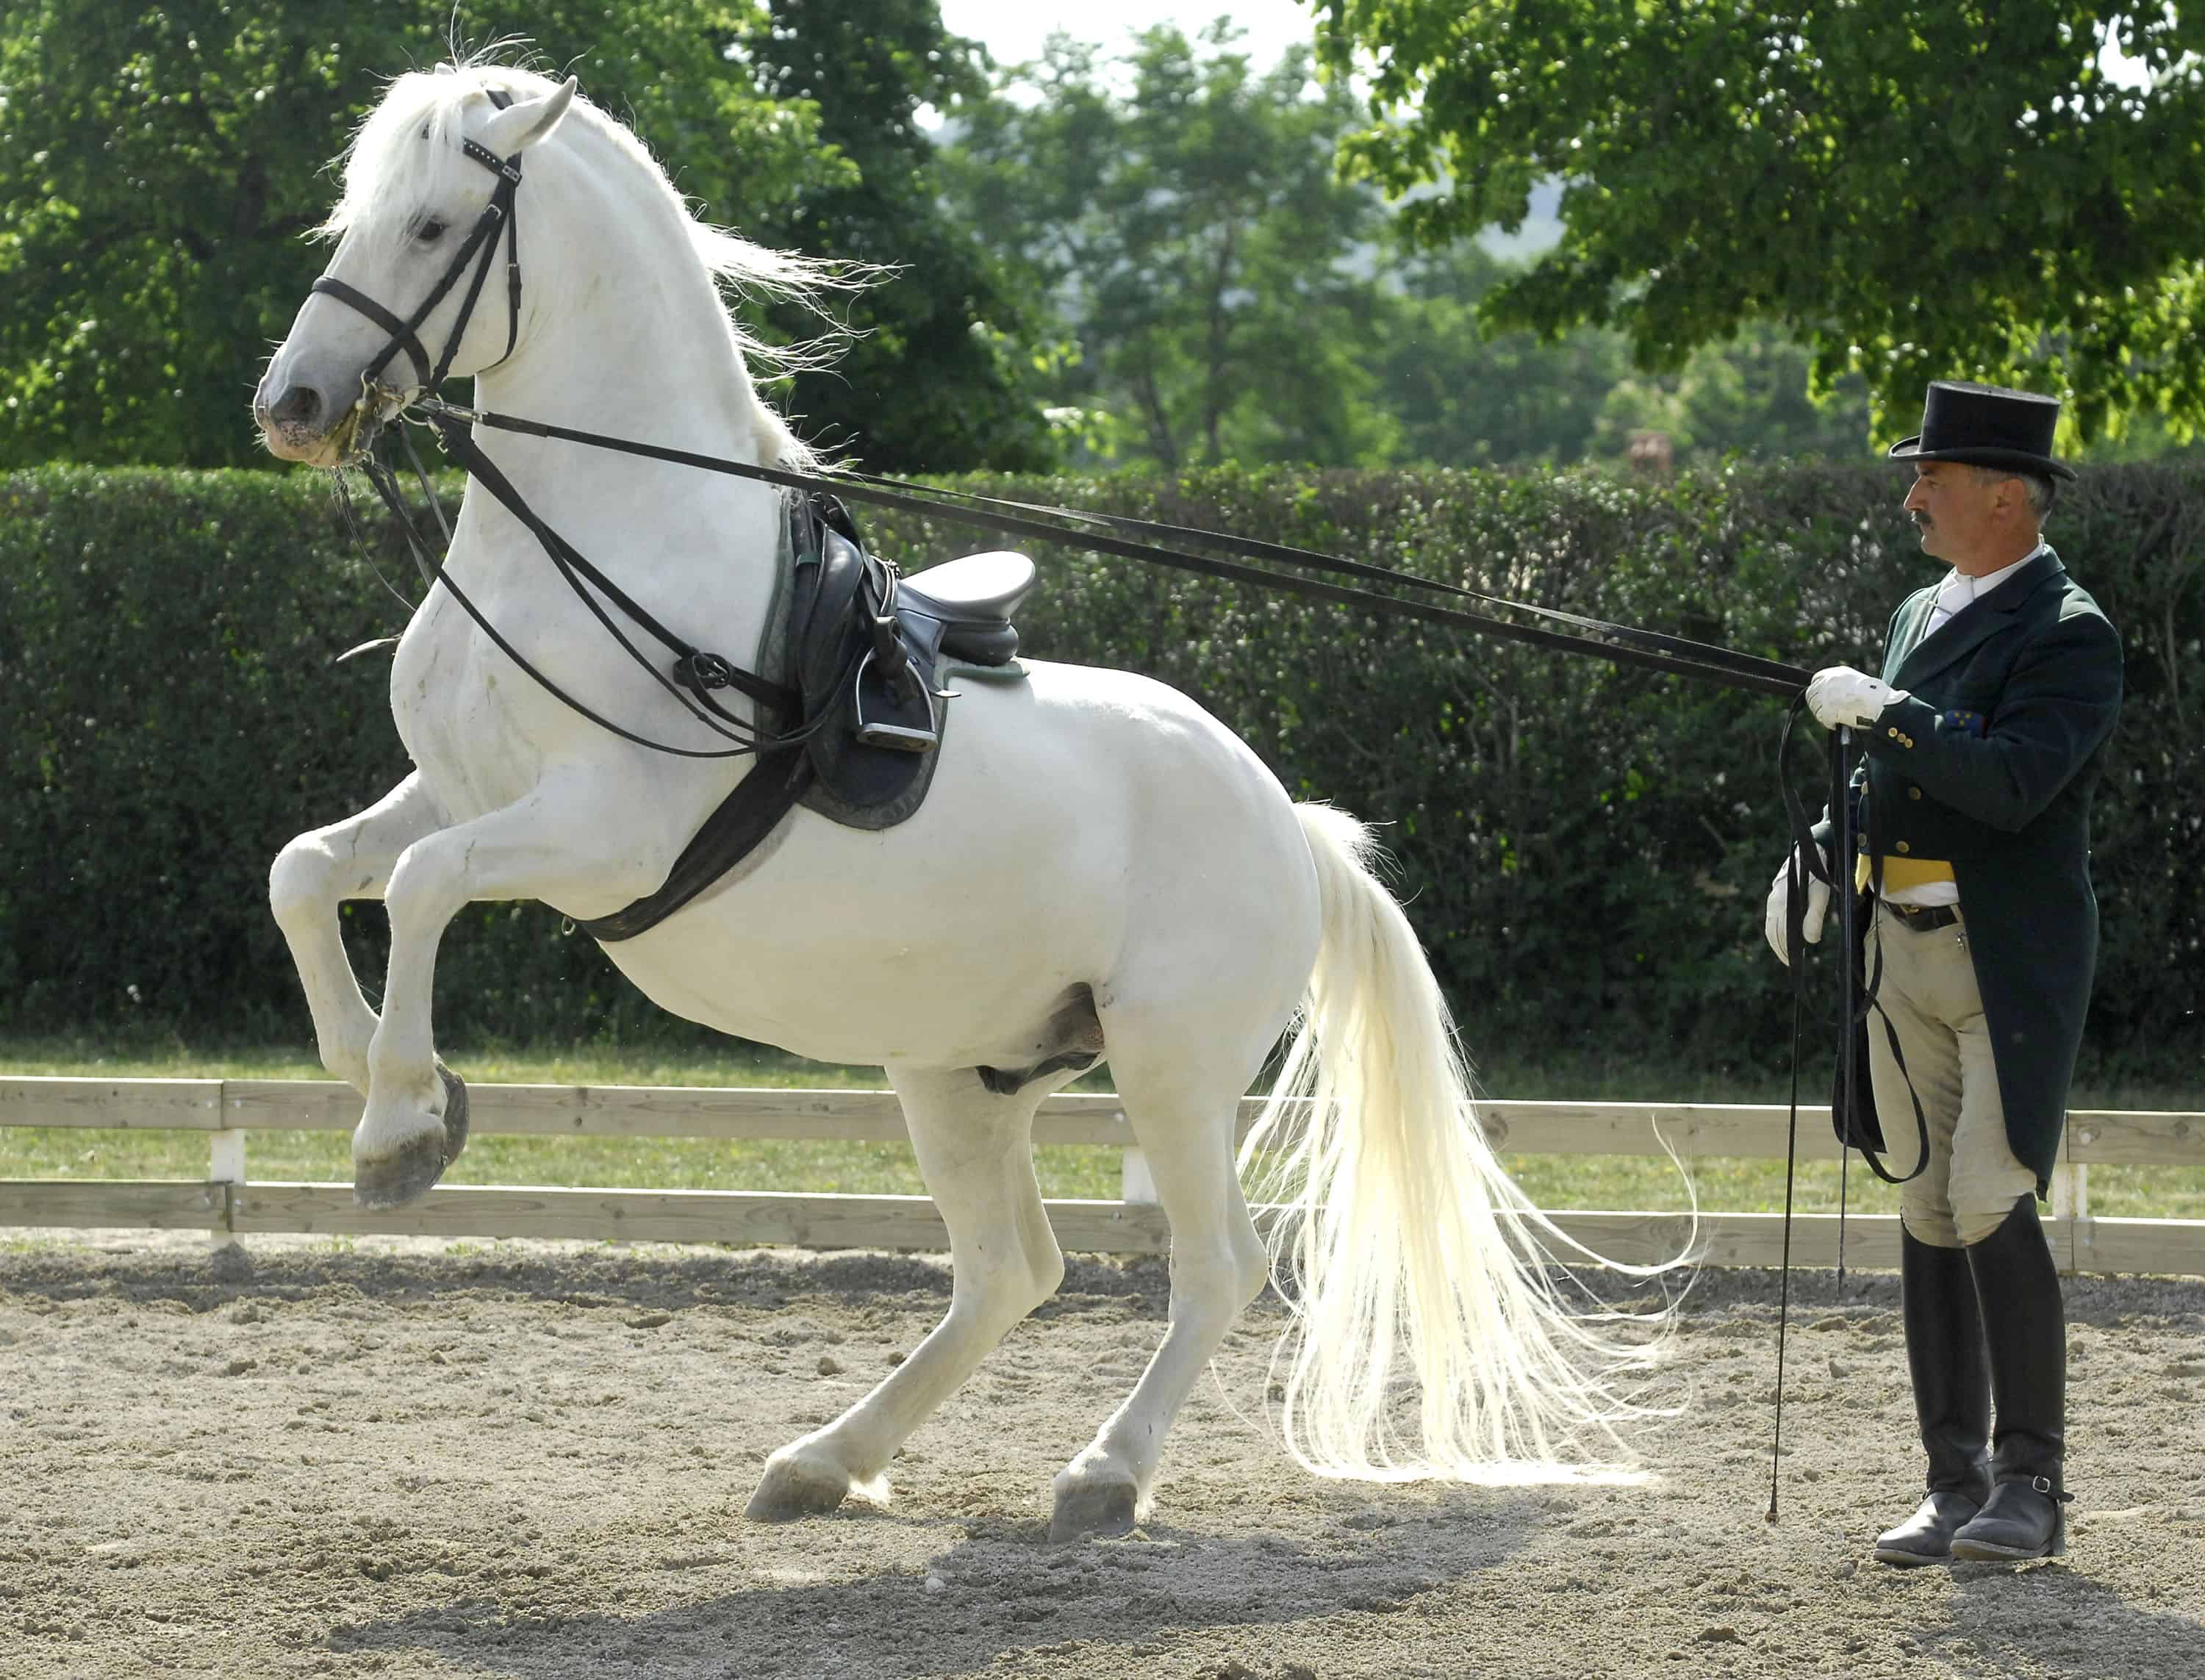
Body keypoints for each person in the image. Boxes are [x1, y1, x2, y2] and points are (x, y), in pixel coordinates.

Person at [1763, 379, 2123, 1565]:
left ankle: (2034, 1479)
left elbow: (2014, 780)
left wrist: (1892, 713)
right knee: (1921, 1193)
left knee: (1985, 1192)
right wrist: (1823, 852)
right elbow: (1888, 786)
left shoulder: (2070, 631)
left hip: (1999, 959)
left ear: (2006, 498)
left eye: (1937, 477)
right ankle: (1951, 1475)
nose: (1913, 494)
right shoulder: (1923, 611)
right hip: (1899, 952)